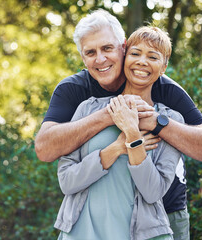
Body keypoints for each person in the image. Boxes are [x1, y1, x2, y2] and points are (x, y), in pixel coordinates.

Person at [35, 9, 202, 239]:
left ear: (122, 47)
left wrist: (155, 122)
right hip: (98, 219)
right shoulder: (79, 96)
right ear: (83, 58)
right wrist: (110, 116)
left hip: (165, 213)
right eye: (90, 52)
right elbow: (46, 151)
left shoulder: (165, 91)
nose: (100, 59)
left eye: (107, 48)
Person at [55, 26, 184, 240]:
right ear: (124, 57)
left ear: (163, 67)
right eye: (135, 54)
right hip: (82, 234)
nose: (142, 62)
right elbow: (67, 182)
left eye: (152, 56)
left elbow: (153, 192)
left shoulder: (171, 121)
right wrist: (116, 148)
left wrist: (133, 136)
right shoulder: (87, 109)